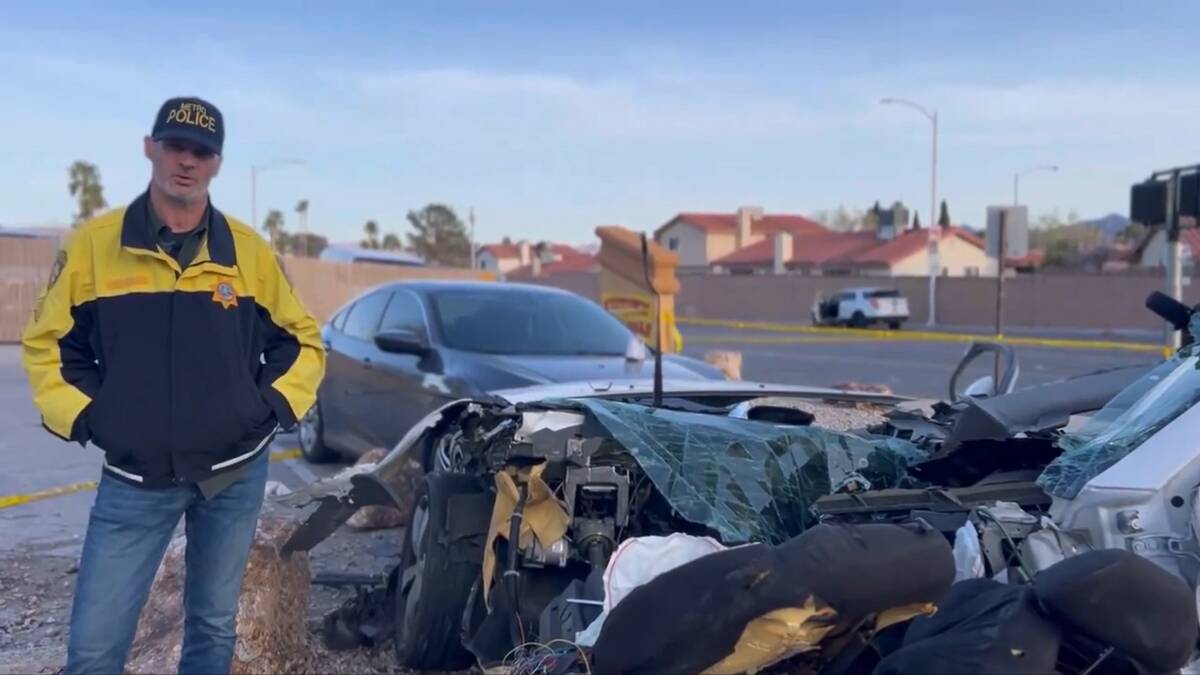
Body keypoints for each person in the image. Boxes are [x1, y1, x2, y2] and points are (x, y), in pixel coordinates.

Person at [21, 96, 325, 674]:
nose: (186, 161)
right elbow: (49, 346)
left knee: (212, 629)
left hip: (234, 474)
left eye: (201, 152)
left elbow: (302, 341)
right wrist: (95, 418)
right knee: (93, 648)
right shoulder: (92, 247)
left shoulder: (248, 253)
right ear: (149, 148)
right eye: (175, 146)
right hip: (135, 479)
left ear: (216, 163)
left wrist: (264, 409)